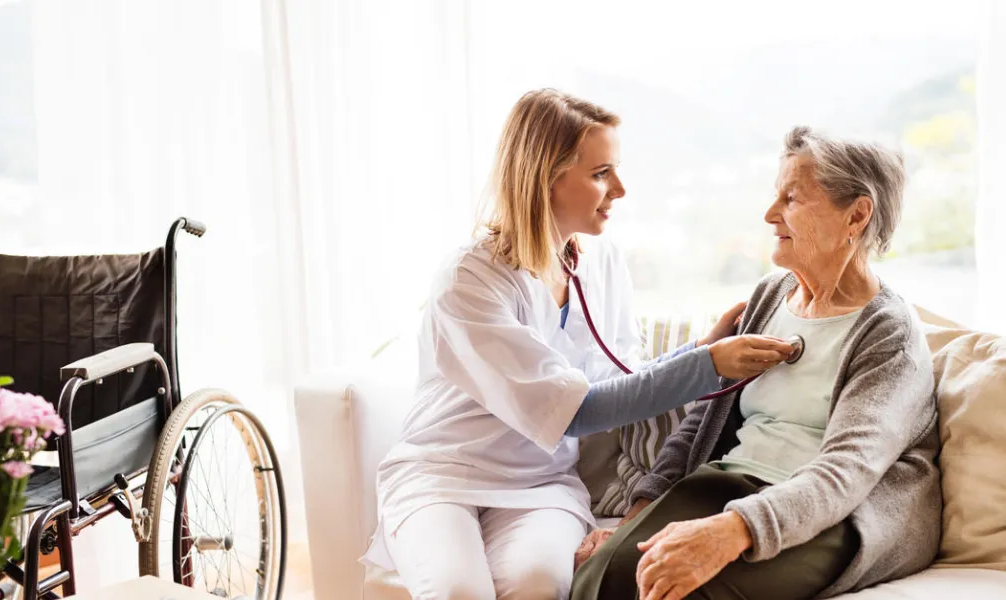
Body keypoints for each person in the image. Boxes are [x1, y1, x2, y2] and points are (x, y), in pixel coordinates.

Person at [363, 89, 797, 600]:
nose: (620, 189)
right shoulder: (470, 280)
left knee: (540, 586)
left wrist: (700, 349)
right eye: (600, 174)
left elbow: (618, 381)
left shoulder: (601, 262)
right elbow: (575, 412)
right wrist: (707, 364)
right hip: (443, 475)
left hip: (538, 484)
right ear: (543, 178)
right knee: (461, 591)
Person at [572, 126, 942, 600]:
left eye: (791, 199)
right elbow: (703, 422)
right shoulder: (771, 296)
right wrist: (632, 522)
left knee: (670, 589)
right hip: (731, 484)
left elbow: (846, 470)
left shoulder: (888, 333)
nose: (770, 215)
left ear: (857, 215)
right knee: (596, 575)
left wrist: (728, 532)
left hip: (836, 515)